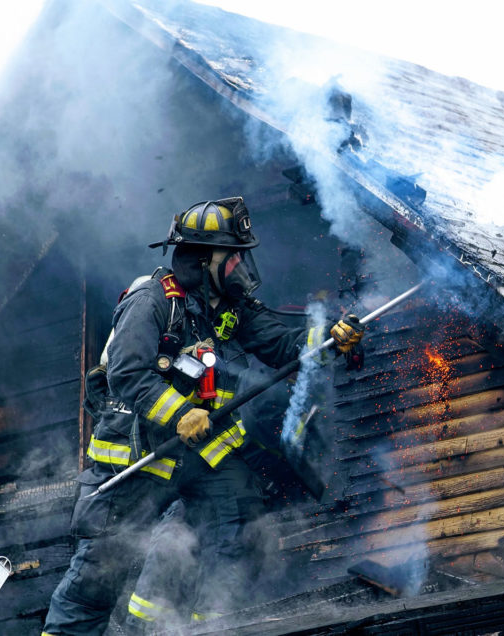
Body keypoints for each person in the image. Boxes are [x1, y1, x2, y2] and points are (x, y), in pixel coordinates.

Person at [42, 197, 363, 635]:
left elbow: (282, 346)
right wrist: (179, 414)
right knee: (96, 579)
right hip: (136, 455)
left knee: (239, 520)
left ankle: (210, 625)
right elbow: (127, 372)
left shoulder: (231, 310)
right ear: (202, 259)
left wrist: (328, 339)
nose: (241, 268)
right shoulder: (152, 300)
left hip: (199, 453)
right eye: (233, 258)